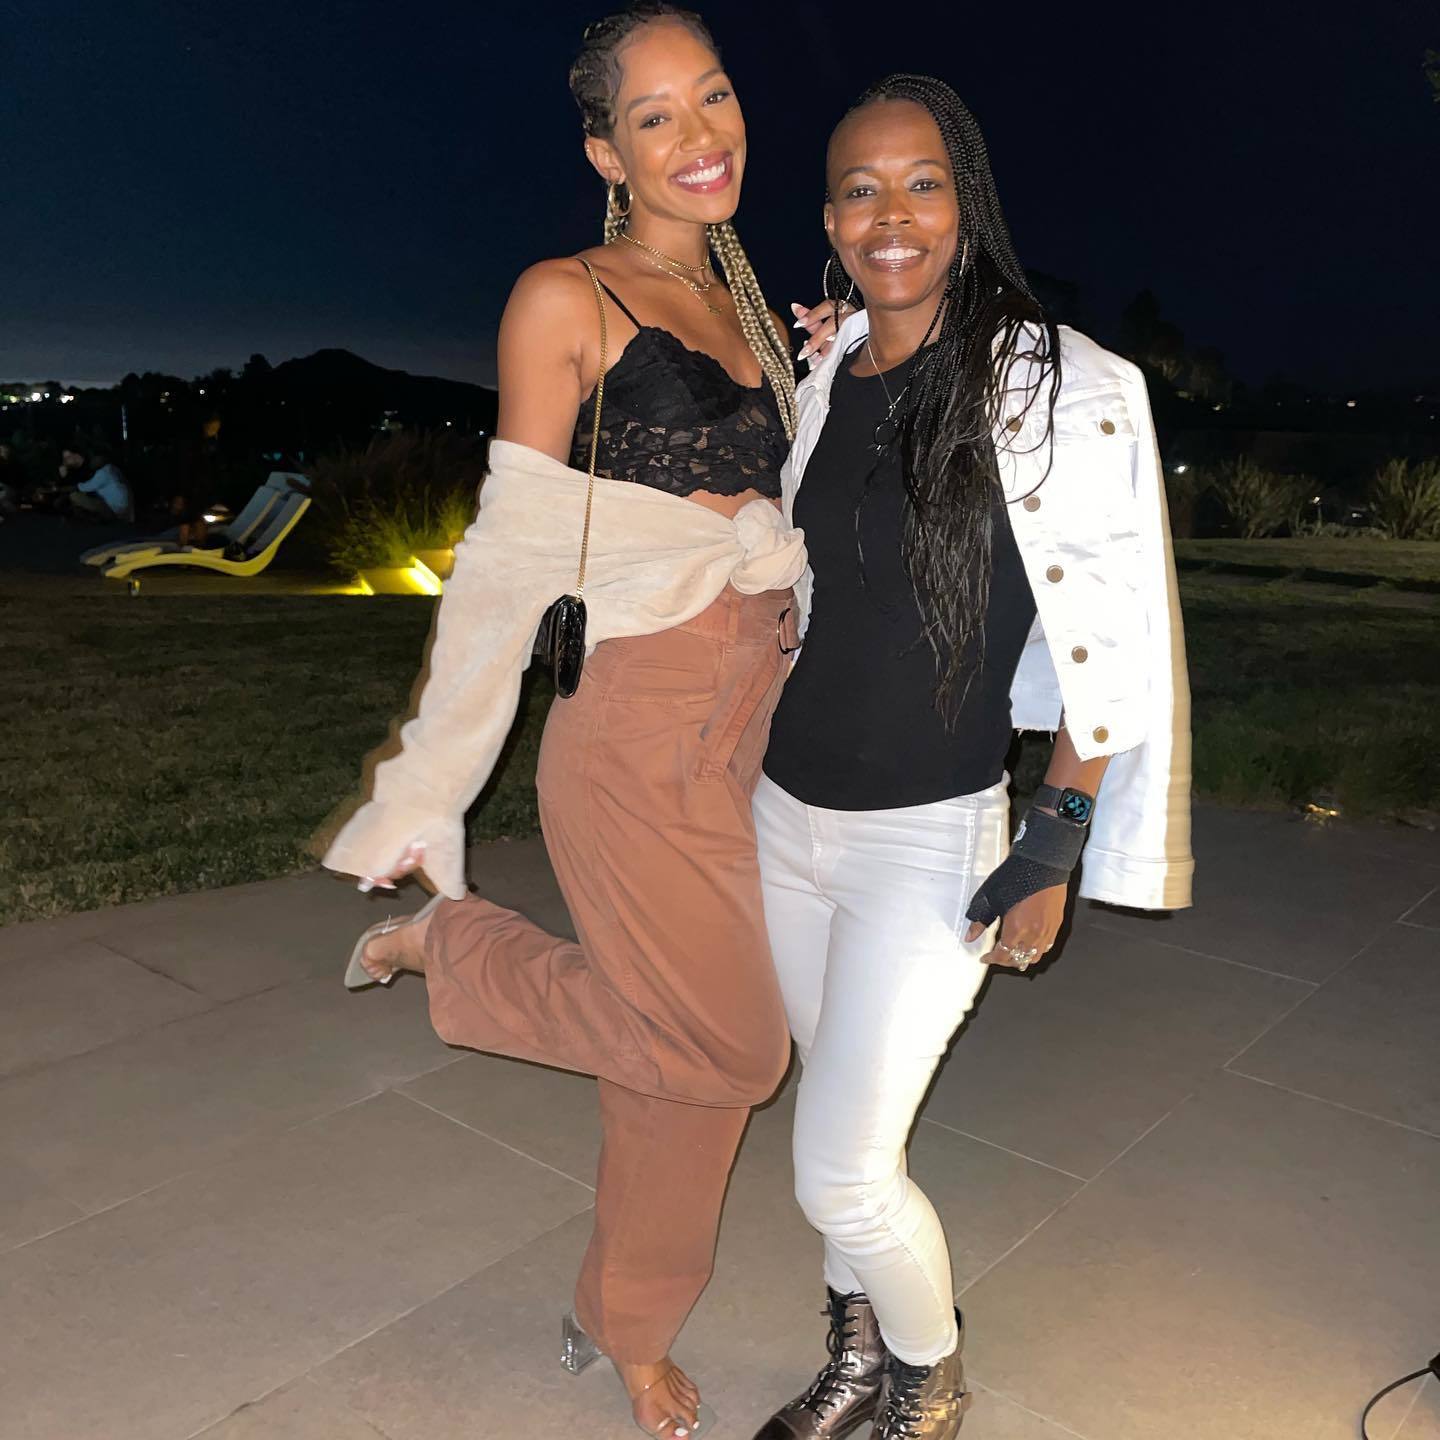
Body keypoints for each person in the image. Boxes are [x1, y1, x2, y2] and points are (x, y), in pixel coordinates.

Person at [322, 6, 831, 1436]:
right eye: (656, 116)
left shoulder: (758, 313)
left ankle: (628, 1323)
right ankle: (456, 947)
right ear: (608, 152)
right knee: (739, 1049)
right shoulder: (565, 298)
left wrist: (840, 364)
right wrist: (428, 783)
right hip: (635, 726)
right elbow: (508, 558)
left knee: (686, 1082)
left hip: (757, 716)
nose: (700, 135)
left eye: (713, 96)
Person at [751, 76, 1193, 1440]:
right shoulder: (827, 378)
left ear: (968, 202)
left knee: (838, 1172)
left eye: (921, 183)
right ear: (830, 219)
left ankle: (929, 1376)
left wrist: (1055, 841)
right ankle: (855, 1356)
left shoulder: (1055, 386)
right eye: (860, 190)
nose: (891, 214)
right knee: (844, 1129)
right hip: (783, 818)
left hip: (928, 837)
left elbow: (1114, 632)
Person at [67, 446, 133, 522]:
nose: (92, 461)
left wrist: (61, 489)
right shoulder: (111, 468)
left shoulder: (103, 473)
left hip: (114, 510)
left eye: (94, 458)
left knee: (75, 496)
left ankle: (95, 519)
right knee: (89, 494)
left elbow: (83, 487)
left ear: (101, 458)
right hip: (121, 508)